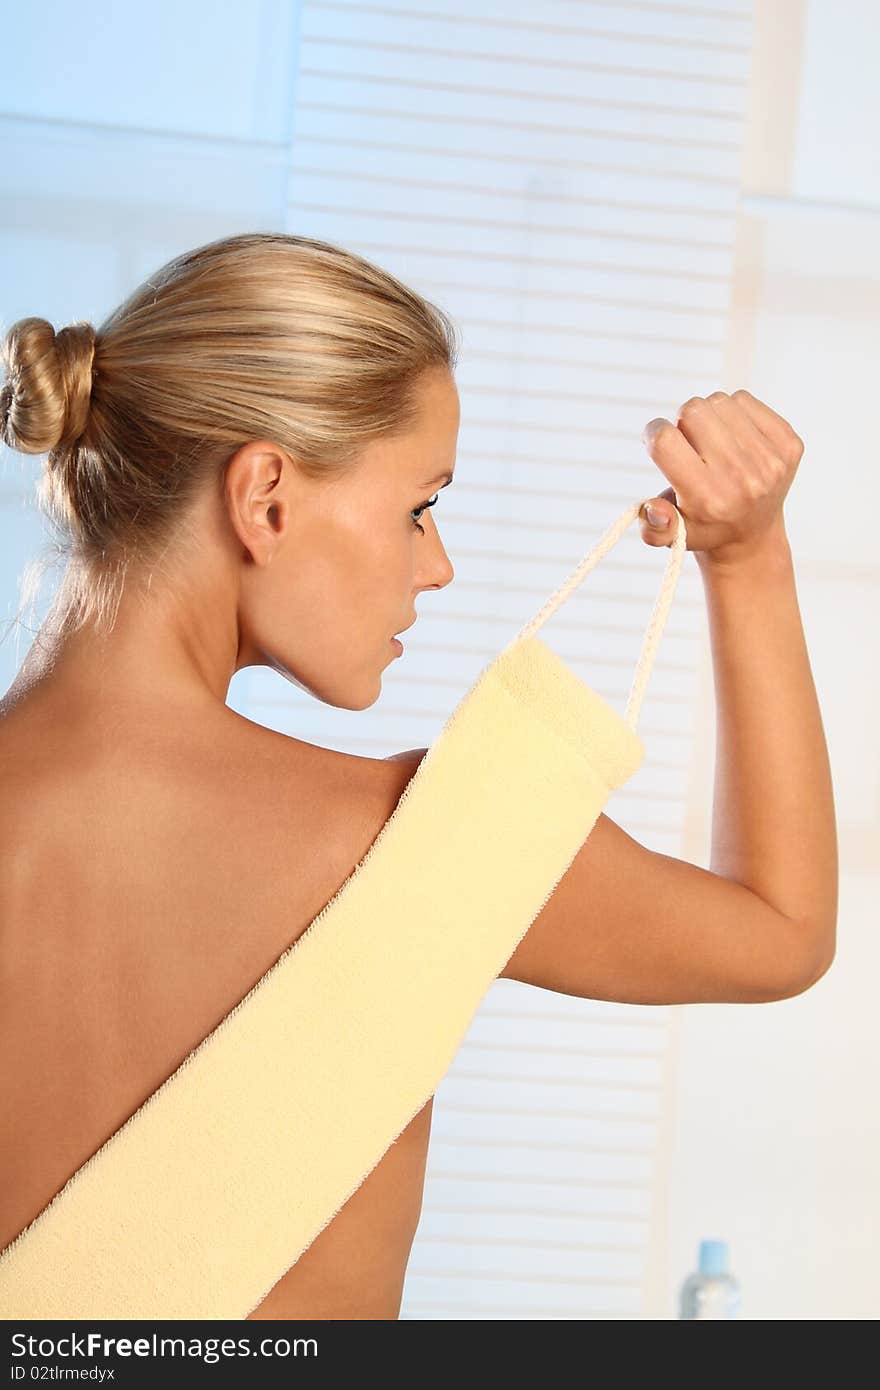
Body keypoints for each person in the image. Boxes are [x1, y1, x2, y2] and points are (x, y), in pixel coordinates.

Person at [0, 232, 837, 1320]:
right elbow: (781, 929)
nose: (435, 564)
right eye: (418, 506)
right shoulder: (410, 845)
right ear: (265, 498)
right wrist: (747, 555)